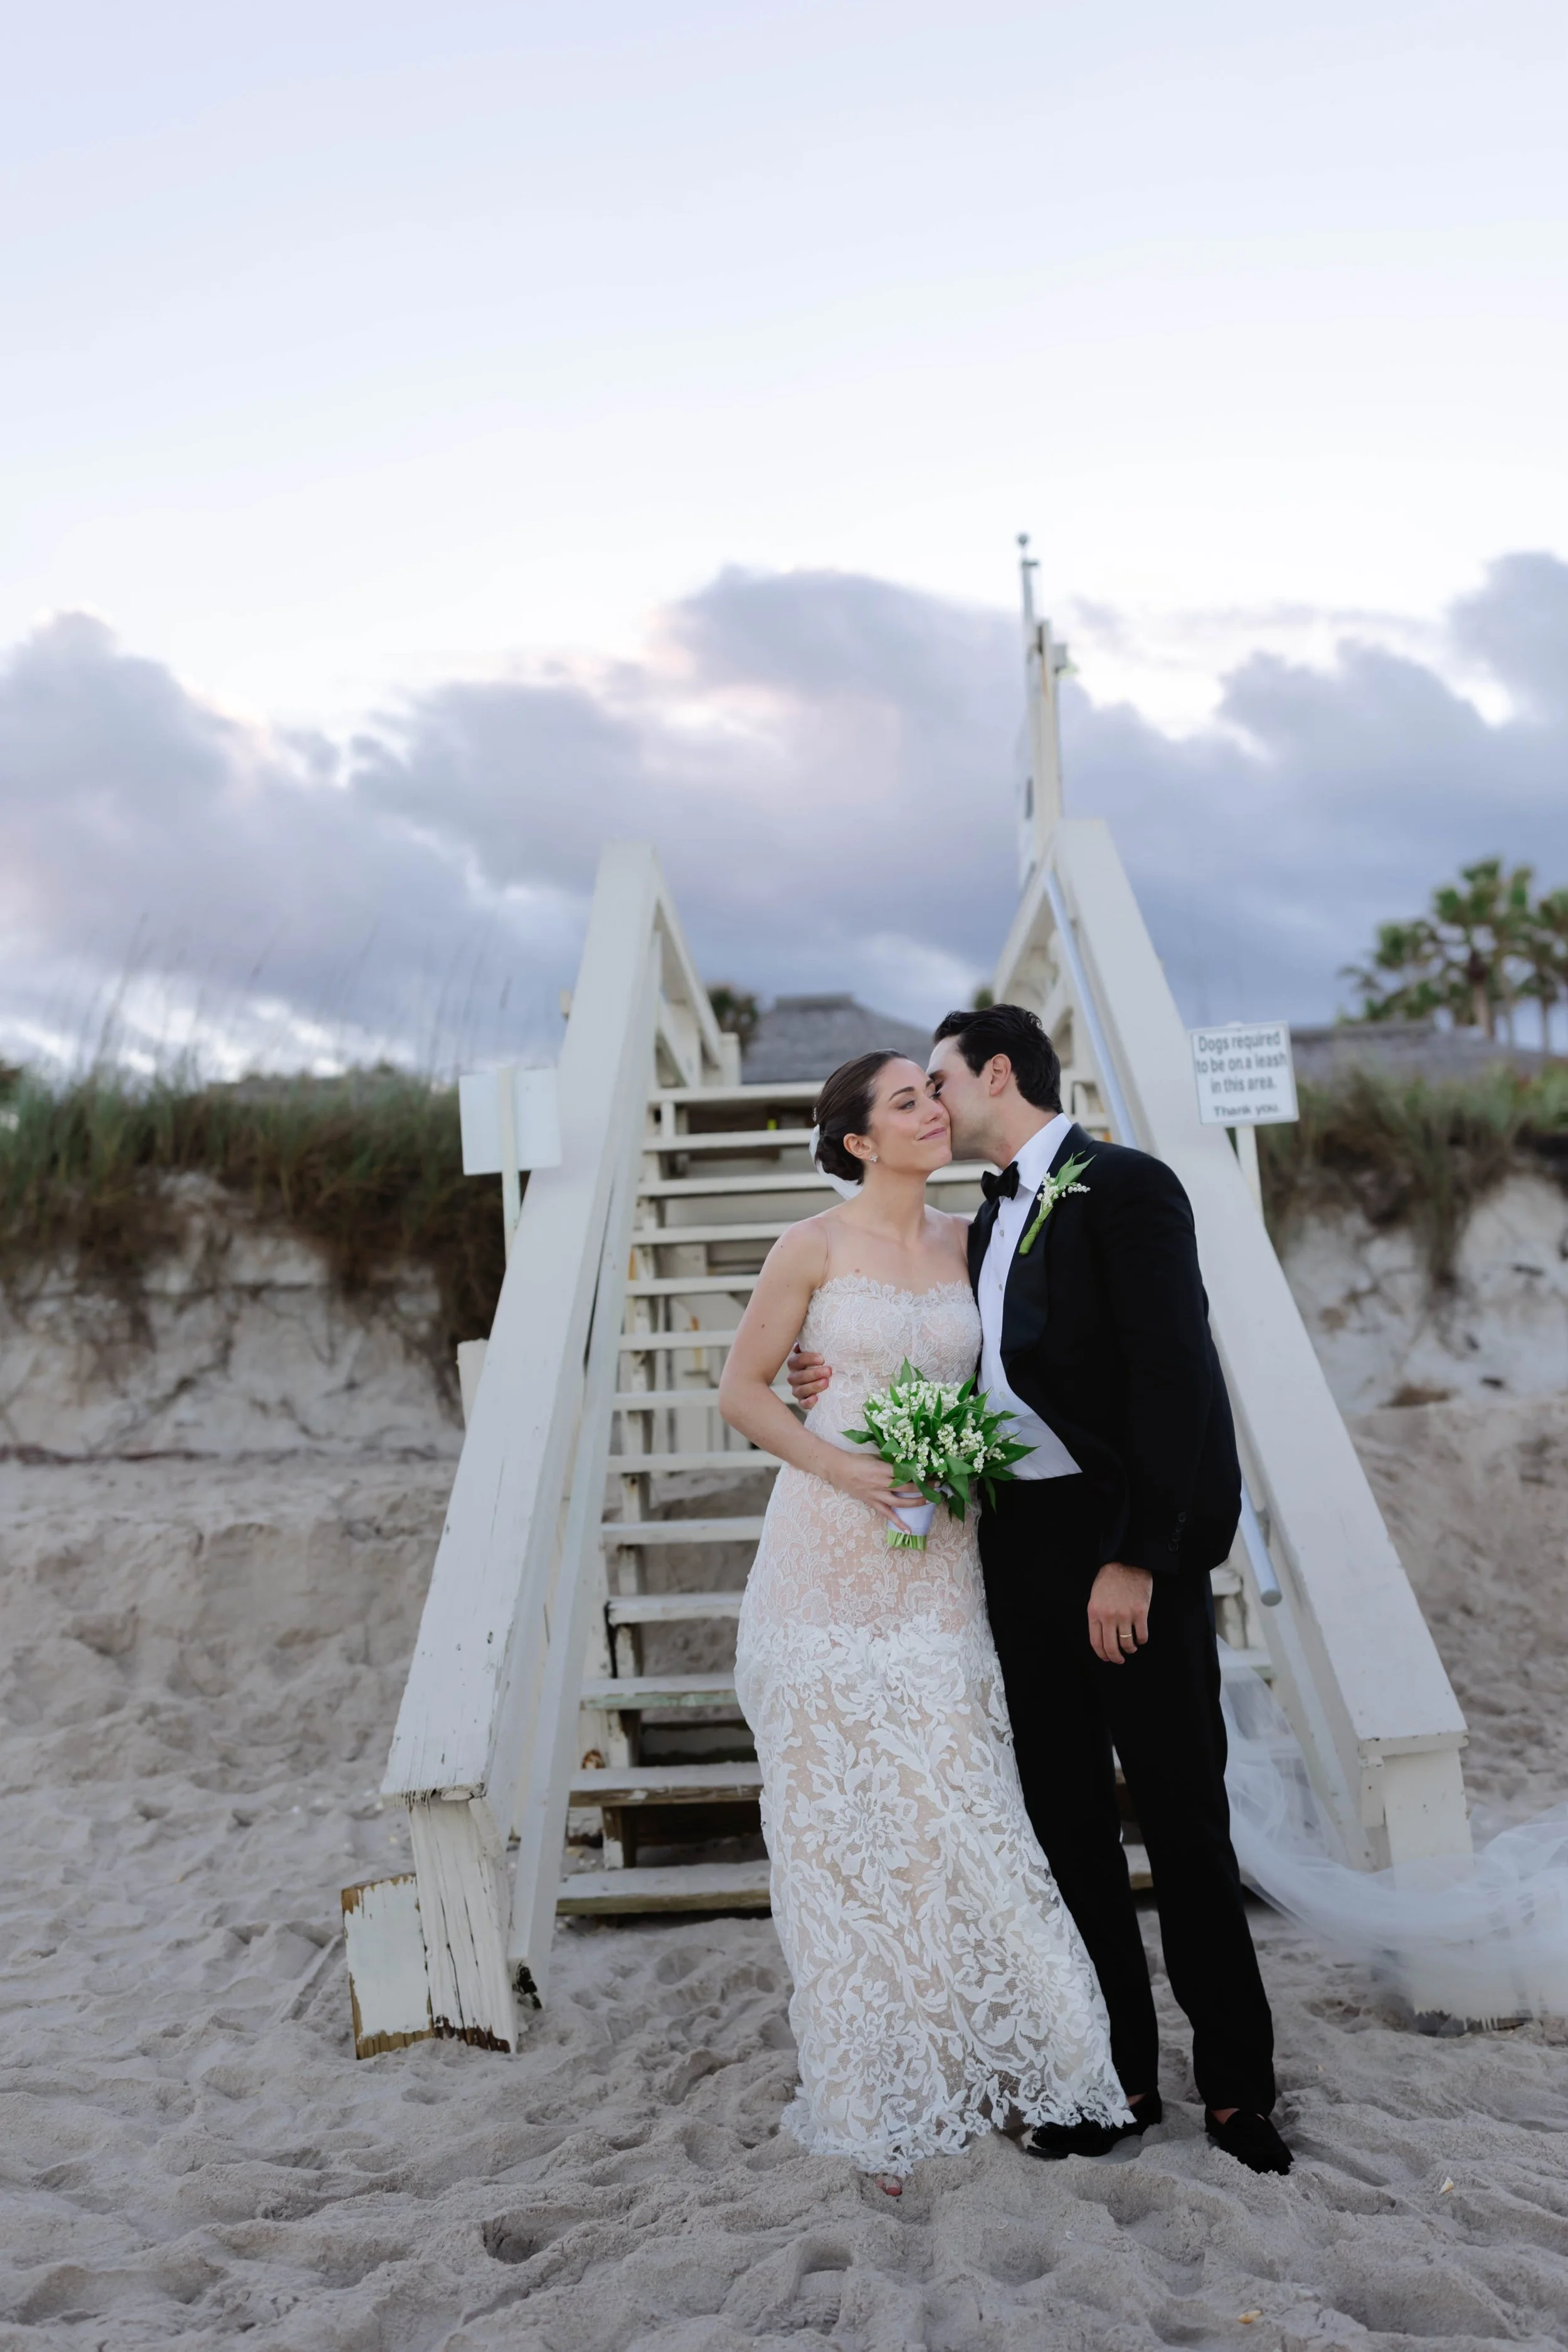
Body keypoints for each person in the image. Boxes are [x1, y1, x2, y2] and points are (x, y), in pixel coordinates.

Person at [787, 1004, 1291, 2177]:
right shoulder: (972, 1226)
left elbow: (1178, 1379)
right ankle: (1113, 2077)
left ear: (996, 1073)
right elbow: (893, 1316)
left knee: (1182, 1815)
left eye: (940, 1081)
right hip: (1011, 1548)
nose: (929, 1102)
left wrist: (1142, 1555)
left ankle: (1236, 2088)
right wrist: (824, 1366)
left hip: (1124, 1542)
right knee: (1065, 1825)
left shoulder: (1126, 1185)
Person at [719, 1049, 1131, 2192]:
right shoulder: (811, 1245)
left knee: (962, 1812)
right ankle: (877, 2091)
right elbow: (743, 1388)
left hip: (941, 1565)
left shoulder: (975, 1238)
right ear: (857, 1137)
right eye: (906, 1100)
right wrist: (843, 1464)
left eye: (932, 1092)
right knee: (841, 1836)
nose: (931, 1110)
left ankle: (1009, 2060)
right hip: (822, 1561)